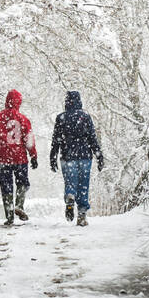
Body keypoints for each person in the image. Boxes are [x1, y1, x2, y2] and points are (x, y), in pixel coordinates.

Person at [49, 90, 103, 226]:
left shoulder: (61, 118)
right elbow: (92, 138)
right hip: (85, 156)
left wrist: (53, 155)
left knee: (70, 182)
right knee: (83, 185)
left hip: (67, 156)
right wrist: (99, 155)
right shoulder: (85, 116)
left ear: (67, 102)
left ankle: (70, 196)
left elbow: (56, 140)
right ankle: (82, 215)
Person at [0, 89, 38, 225]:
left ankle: (9, 216)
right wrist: (33, 156)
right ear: (18, 102)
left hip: (2, 158)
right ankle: (19, 205)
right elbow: (29, 140)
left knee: (6, 187)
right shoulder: (23, 119)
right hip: (19, 157)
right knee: (22, 183)